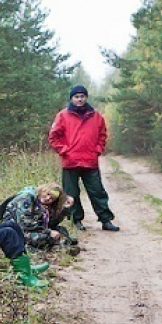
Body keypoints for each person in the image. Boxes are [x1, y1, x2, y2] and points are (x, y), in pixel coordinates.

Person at [48, 85, 120, 232]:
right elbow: (53, 137)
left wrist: (97, 150)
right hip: (70, 161)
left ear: (86, 97)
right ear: (72, 98)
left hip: (90, 161)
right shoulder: (63, 115)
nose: (80, 99)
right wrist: (64, 150)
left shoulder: (96, 116)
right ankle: (76, 221)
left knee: (97, 191)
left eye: (82, 96)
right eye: (76, 97)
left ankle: (106, 220)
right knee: (71, 194)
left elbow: (102, 135)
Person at [1, 183, 79, 255]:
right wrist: (48, 232)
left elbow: (50, 223)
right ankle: (57, 247)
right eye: (48, 194)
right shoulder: (26, 198)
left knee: (60, 230)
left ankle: (58, 246)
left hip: (27, 229)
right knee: (42, 237)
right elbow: (26, 225)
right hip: (14, 231)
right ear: (43, 190)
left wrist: (65, 209)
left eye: (52, 198)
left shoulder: (41, 203)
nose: (48, 198)